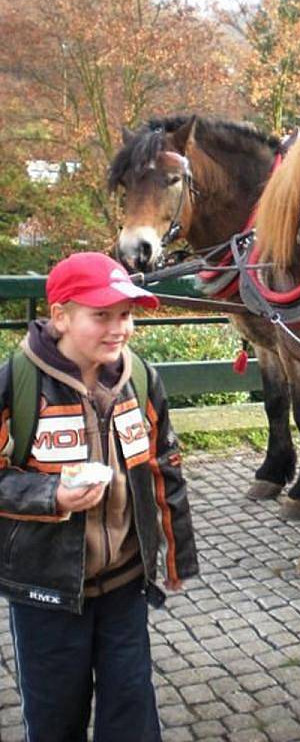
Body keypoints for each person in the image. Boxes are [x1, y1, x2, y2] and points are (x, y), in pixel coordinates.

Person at [0, 252, 198, 742]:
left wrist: (176, 560)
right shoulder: (17, 384)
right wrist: (52, 495)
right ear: (61, 316)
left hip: (126, 588)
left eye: (125, 315)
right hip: (47, 596)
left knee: (132, 716)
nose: (118, 329)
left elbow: (164, 470)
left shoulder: (141, 379)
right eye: (101, 315)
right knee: (56, 722)